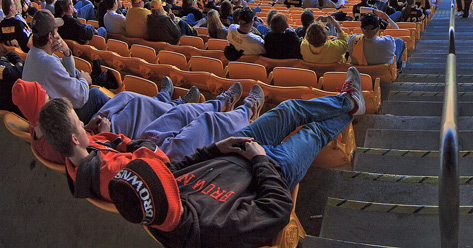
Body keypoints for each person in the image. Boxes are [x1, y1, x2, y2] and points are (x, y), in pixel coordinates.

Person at [105, 69, 366, 248]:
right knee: (314, 131)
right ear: (164, 197)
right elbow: (277, 208)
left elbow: (179, 166)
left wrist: (218, 147)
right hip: (273, 169)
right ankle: (350, 108)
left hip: (236, 147)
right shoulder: (213, 229)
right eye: (163, 175)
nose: (167, 171)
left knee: (288, 108)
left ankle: (348, 102)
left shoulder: (162, 190)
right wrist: (260, 161)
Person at [37, 82, 263, 202]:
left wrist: (105, 135)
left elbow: (112, 150)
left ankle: (219, 103)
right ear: (74, 138)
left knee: (179, 113)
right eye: (79, 123)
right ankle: (246, 111)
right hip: (163, 166)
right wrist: (119, 139)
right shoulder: (108, 171)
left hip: (139, 150)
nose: (83, 122)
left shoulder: (76, 156)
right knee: (204, 123)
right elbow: (151, 166)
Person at [22, 10, 109, 123]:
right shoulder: (48, 63)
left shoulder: (34, 54)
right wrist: (84, 80)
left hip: (45, 117)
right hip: (57, 124)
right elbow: (80, 98)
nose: (58, 35)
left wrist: (67, 52)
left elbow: (69, 75)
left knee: (80, 77)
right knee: (96, 95)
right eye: (56, 31)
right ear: (50, 37)